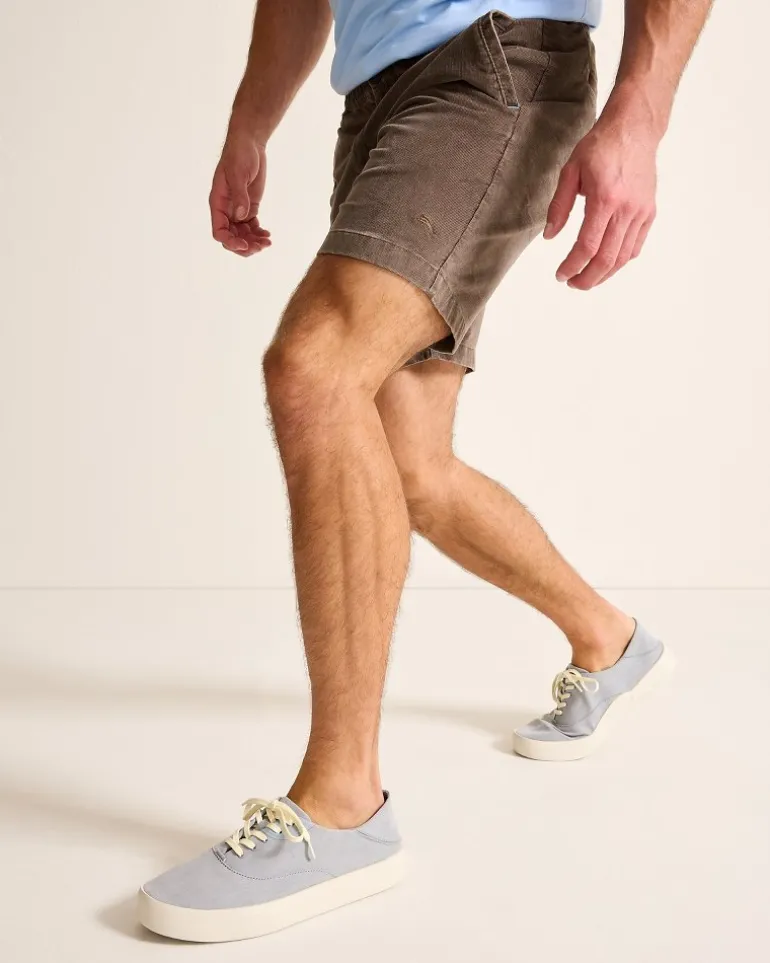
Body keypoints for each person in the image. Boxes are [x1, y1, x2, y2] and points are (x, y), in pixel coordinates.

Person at [138, 0, 711, 943]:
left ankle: (343, 808)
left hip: (497, 62)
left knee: (316, 371)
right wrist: (250, 122)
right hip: (378, 95)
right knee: (409, 464)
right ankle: (613, 641)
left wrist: (640, 114)